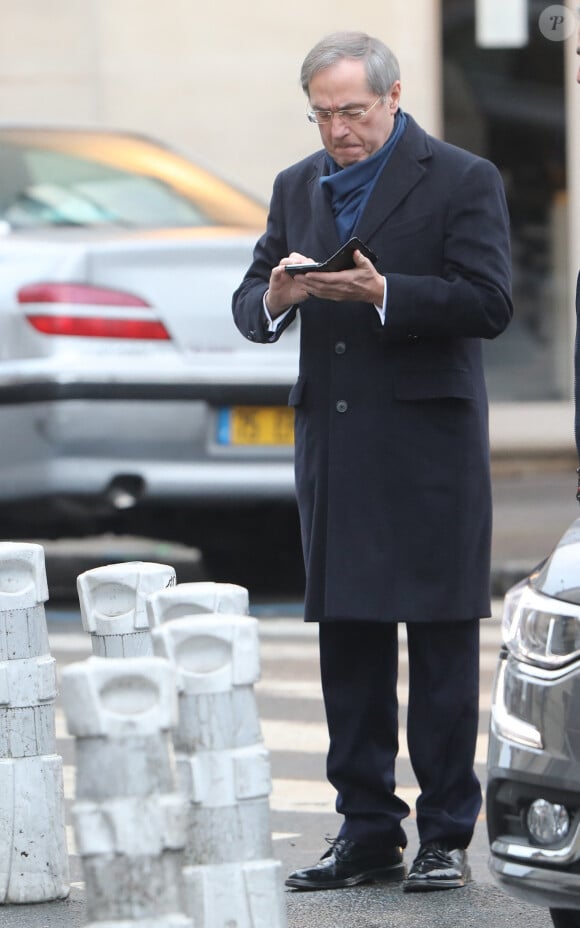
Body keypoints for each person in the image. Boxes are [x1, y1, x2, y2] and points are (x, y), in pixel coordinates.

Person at [232, 31, 513, 893]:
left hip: (428, 447)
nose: (339, 131)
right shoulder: (295, 186)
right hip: (338, 448)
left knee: (437, 645)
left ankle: (442, 836)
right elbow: (249, 305)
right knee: (348, 647)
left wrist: (384, 291)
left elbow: (490, 303)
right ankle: (364, 832)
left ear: (392, 100)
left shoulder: (464, 178)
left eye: (353, 112)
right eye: (322, 114)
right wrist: (278, 296)